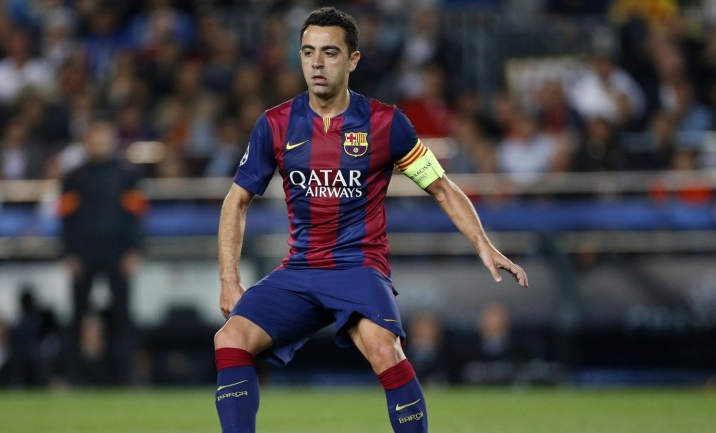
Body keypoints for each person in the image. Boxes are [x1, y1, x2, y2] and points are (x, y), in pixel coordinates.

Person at [214, 7, 528, 433]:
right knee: (229, 339)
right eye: (308, 52)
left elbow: (440, 186)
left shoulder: (386, 123)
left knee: (385, 349)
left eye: (329, 52)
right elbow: (236, 202)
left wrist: (483, 244)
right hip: (301, 268)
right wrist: (229, 280)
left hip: (359, 267)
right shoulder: (275, 124)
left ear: (353, 59)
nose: (317, 63)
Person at [59, 120, 147, 385]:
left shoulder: (126, 175)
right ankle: (72, 375)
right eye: (94, 140)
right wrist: (68, 253)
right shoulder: (73, 177)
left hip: (117, 251)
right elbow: (66, 218)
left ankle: (126, 376)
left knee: (123, 316)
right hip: (83, 252)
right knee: (76, 315)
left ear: (112, 142)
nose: (99, 145)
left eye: (104, 139)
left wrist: (134, 250)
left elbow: (136, 215)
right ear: (87, 142)